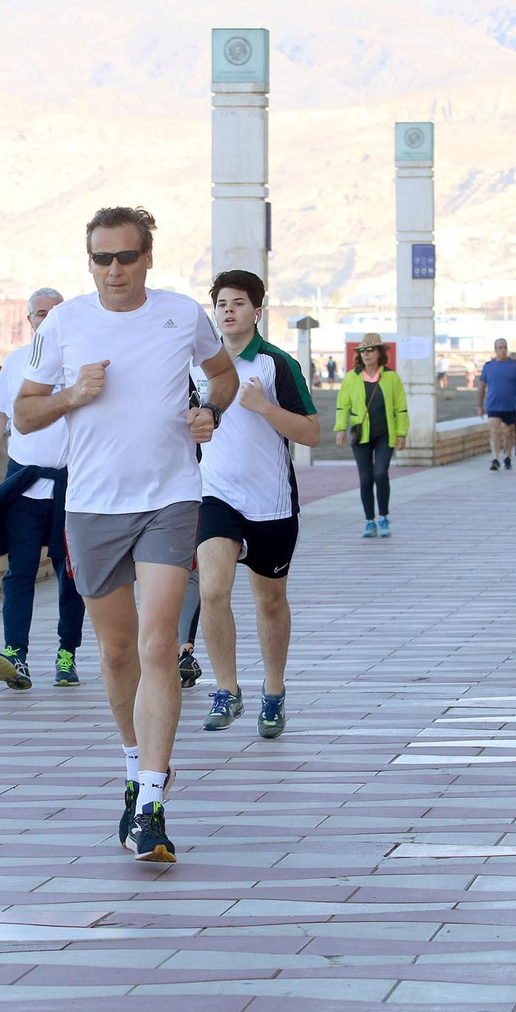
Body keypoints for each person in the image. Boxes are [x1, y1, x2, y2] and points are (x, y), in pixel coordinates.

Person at [17, 206, 237, 864]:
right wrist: (70, 397)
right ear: (89, 262)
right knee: (116, 655)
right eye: (101, 258)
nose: (114, 270)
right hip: (92, 506)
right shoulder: (64, 323)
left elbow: (221, 377)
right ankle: (133, 763)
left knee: (160, 642)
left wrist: (208, 414)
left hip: (170, 496)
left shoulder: (180, 316)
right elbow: (25, 414)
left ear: (147, 258)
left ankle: (152, 801)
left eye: (125, 257)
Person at [192, 270, 318, 739]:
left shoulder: (275, 363)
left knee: (270, 601)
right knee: (212, 590)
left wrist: (265, 408)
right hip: (216, 495)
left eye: (239, 302)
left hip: (271, 503)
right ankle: (227, 689)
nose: (228, 310)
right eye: (221, 302)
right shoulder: (196, 365)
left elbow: (310, 433)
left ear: (257, 312)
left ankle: (274, 692)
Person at [0, 288, 84, 691]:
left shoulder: (77, 364)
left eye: (53, 313)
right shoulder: (15, 364)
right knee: (19, 572)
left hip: (71, 486)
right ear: (28, 319)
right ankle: (16, 654)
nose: (46, 320)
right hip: (24, 485)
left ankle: (67, 655)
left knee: (70, 574)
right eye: (39, 314)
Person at [334, 332, 409, 538]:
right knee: (366, 478)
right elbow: (343, 406)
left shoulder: (391, 377)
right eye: (363, 351)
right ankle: (370, 521)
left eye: (371, 350)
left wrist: (402, 433)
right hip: (361, 436)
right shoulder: (352, 377)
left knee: (380, 474)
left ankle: (383, 516)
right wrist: (341, 428)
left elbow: (401, 408)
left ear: (379, 353)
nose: (366, 354)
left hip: (386, 434)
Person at [477, 338, 516, 470]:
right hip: (493, 404)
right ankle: (494, 458)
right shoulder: (488, 366)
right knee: (494, 429)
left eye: (505, 347)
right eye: (500, 347)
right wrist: (480, 406)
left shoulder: (514, 365)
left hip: (510, 404)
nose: (503, 350)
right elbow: (482, 386)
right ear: (495, 349)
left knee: (509, 431)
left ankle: (508, 456)